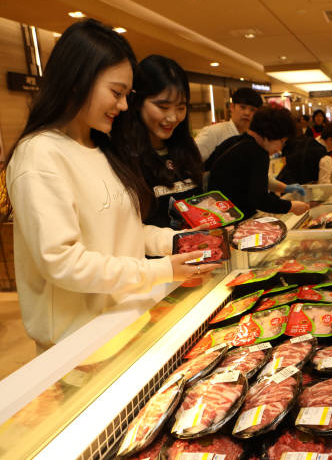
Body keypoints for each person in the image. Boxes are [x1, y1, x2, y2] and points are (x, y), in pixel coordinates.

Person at [1, 20, 217, 351]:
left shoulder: (102, 147)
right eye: (116, 93)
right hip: (79, 348)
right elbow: (62, 261)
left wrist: (177, 242)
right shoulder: (39, 154)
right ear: (77, 80)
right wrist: (158, 270)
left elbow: (125, 231)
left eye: (127, 95)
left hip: (129, 323)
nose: (124, 106)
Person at [112, 55, 202, 228]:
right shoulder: (122, 156)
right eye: (163, 107)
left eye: (181, 108)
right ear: (137, 102)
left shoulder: (186, 148)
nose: (173, 117)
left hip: (196, 249)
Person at [207, 106, 309, 219]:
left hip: (213, 213)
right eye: (282, 141)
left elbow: (254, 179)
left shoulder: (233, 141)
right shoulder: (259, 153)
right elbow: (259, 199)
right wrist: (291, 206)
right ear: (271, 134)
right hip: (232, 218)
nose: (280, 149)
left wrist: (285, 188)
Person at [195, 87, 262, 162]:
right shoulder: (214, 132)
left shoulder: (254, 138)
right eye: (242, 107)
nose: (247, 113)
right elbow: (191, 161)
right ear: (232, 107)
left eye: (252, 110)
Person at [277, 121, 332, 185]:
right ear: (330, 140)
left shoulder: (306, 140)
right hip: (299, 193)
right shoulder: (326, 159)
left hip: (282, 186)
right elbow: (324, 187)